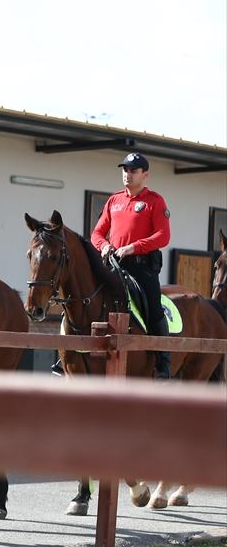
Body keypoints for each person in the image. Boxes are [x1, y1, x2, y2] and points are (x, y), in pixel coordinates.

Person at [91, 152, 172, 379]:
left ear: (145, 175)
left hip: (140, 267)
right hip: (112, 265)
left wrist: (134, 247)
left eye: (133, 171)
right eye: (125, 170)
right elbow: (97, 232)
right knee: (88, 296)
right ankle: (66, 355)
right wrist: (104, 245)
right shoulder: (114, 201)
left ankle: (163, 362)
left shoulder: (155, 201)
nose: (127, 175)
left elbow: (163, 236)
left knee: (154, 308)